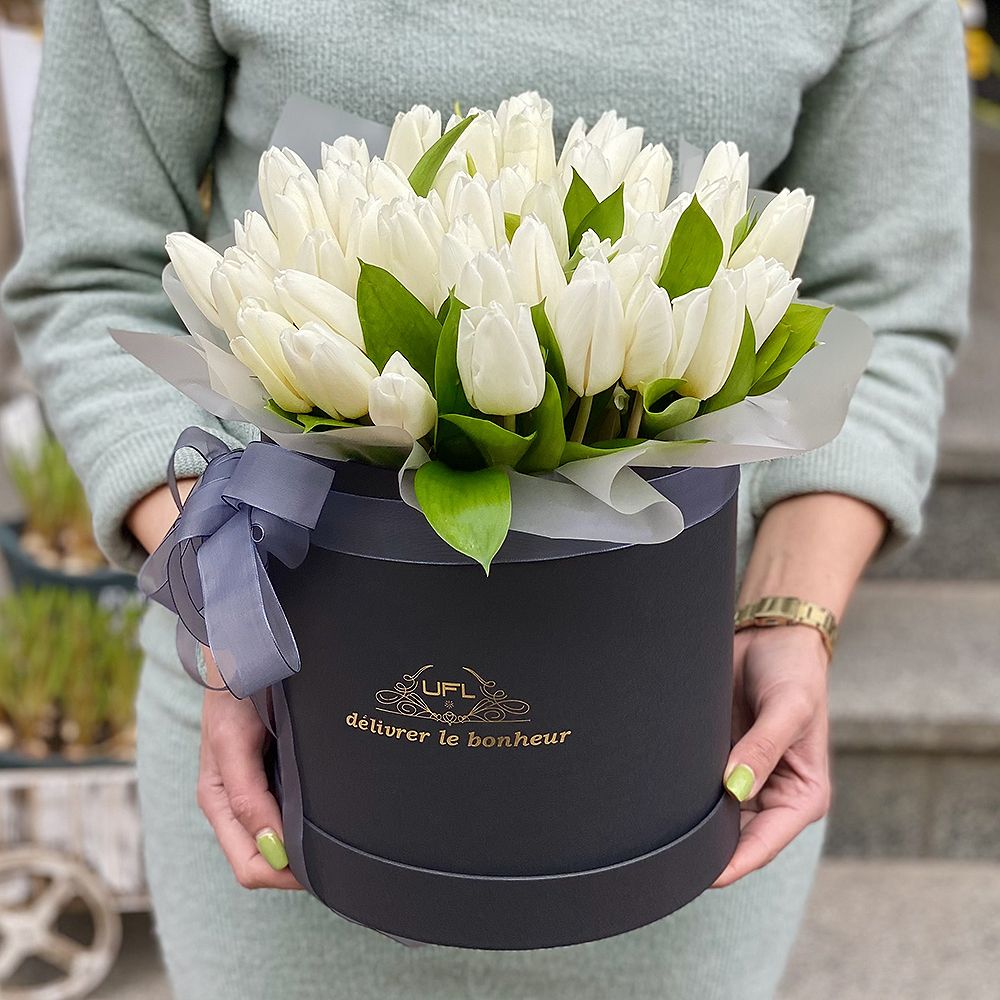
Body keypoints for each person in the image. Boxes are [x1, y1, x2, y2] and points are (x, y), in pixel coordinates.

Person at [3, 1, 969, 997]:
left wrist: (789, 611)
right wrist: (229, 608)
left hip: (668, 738)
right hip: (292, 717)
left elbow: (882, 303)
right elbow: (92, 274)